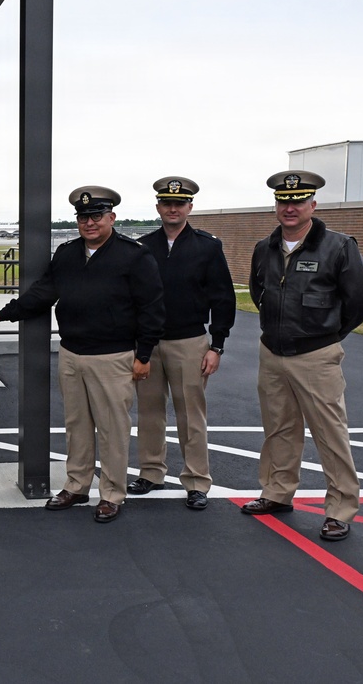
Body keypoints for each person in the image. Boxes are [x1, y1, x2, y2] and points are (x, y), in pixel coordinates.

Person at [0, 186, 165, 522]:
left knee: (112, 430)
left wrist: (144, 354)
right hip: (71, 354)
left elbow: (151, 308)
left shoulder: (133, 255)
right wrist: (2, 313)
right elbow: (42, 293)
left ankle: (111, 494)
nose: (89, 222)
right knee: (76, 425)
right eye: (83, 217)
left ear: (112, 217)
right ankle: (77, 485)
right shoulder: (66, 254)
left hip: (113, 356)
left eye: (96, 215)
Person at [243, 170, 363, 541]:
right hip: (272, 353)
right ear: (276, 205)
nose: (290, 208)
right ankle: (276, 491)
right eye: (284, 201)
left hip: (317, 355)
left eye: (299, 200)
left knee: (330, 434)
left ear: (313, 205)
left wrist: (332, 333)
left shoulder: (337, 246)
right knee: (279, 429)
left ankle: (340, 509)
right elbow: (260, 292)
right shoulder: (265, 248)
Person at [129, 177, 236, 510]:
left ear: (190, 207)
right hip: (148, 344)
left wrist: (216, 345)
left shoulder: (207, 246)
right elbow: (133, 298)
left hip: (190, 342)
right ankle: (151, 472)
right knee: (148, 413)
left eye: (179, 203)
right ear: (158, 207)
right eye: (166, 203)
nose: (172, 208)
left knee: (191, 416)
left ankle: (196, 481)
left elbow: (223, 298)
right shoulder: (143, 247)